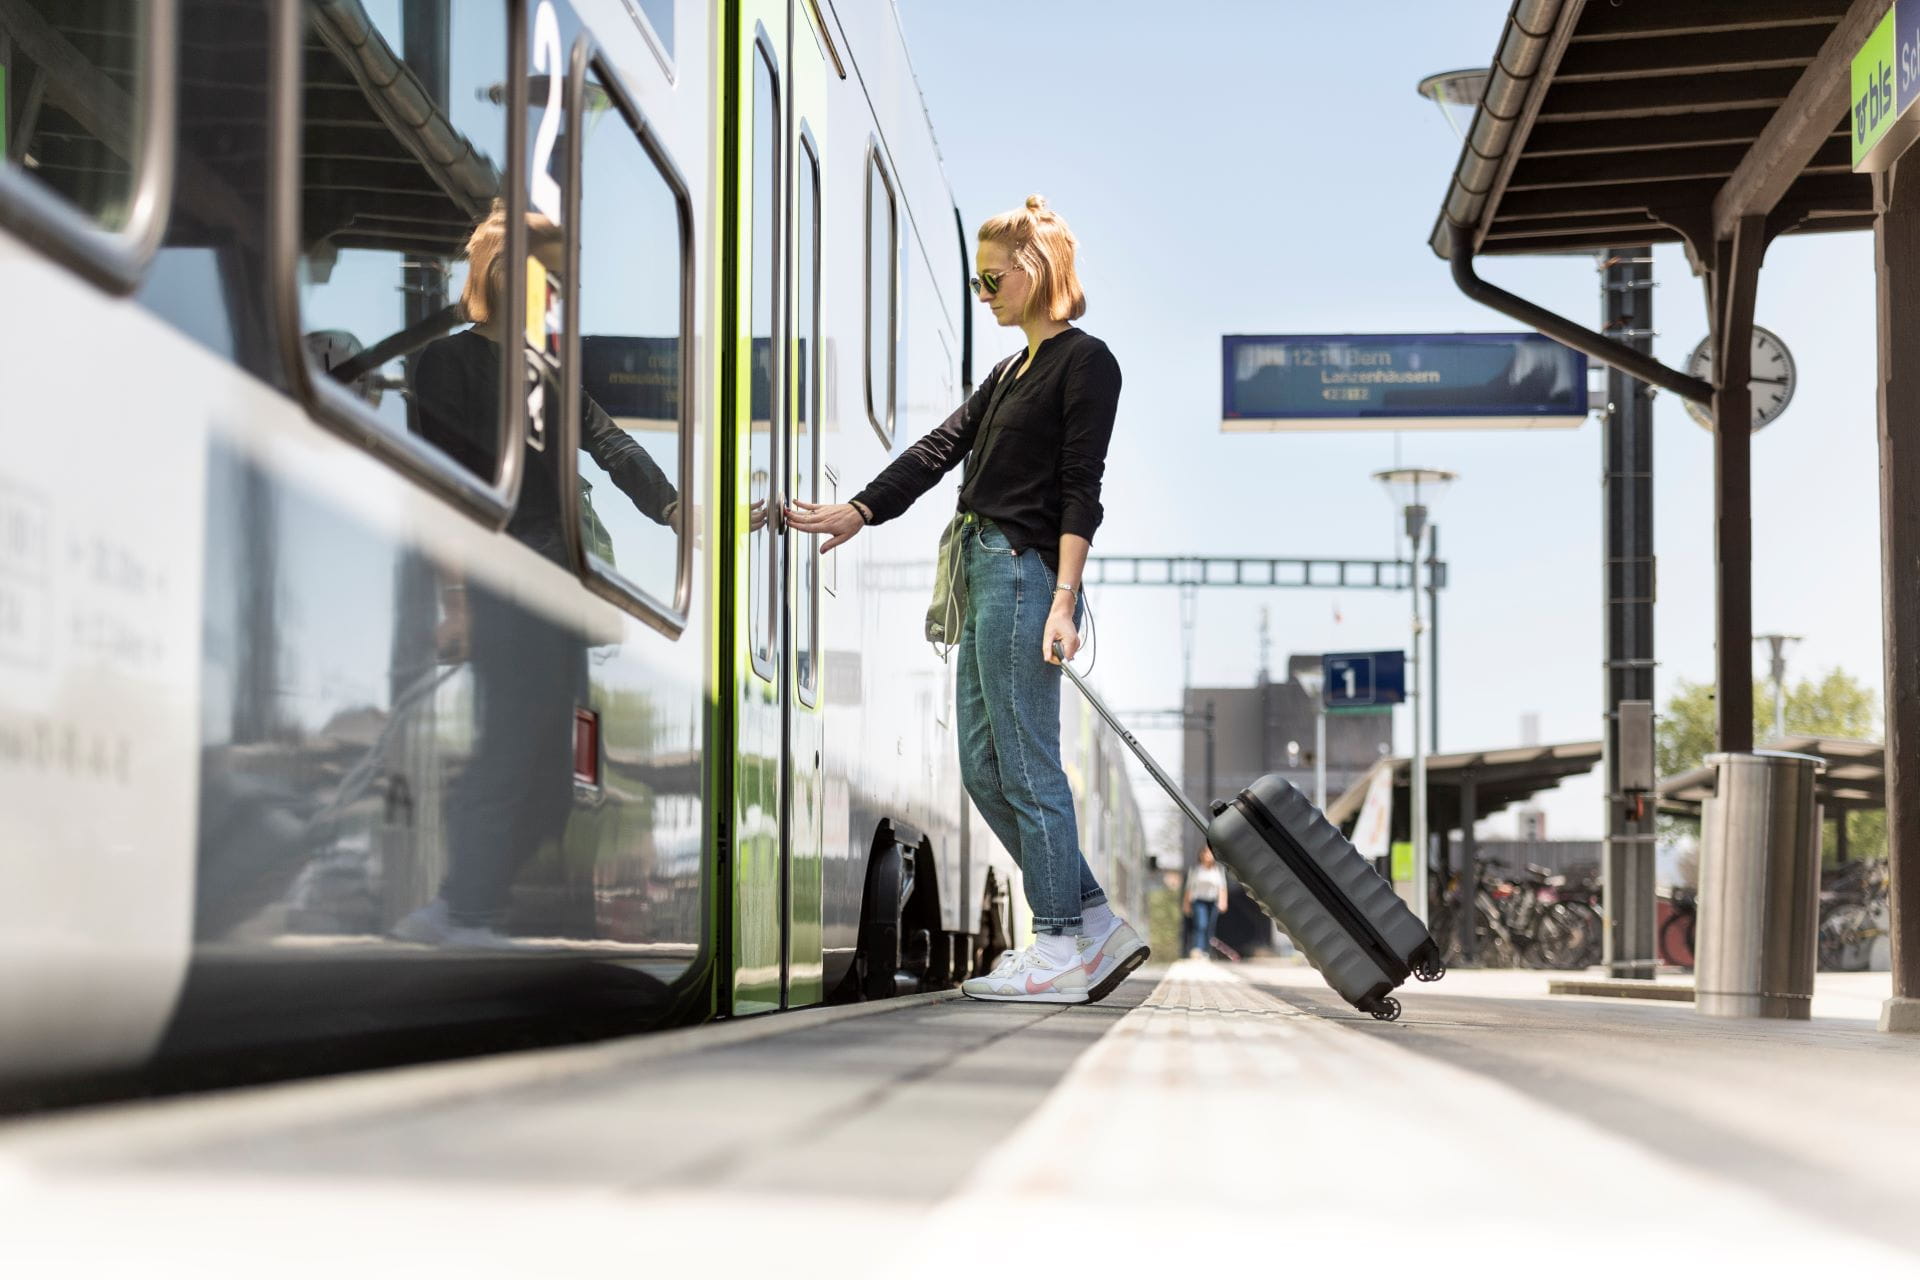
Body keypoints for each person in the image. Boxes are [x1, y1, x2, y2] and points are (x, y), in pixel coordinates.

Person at [786, 196, 1143, 1005]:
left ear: (1035, 271)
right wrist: (862, 508)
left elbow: (1080, 490)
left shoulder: (1086, 364)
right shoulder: (1008, 373)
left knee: (1026, 763)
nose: (982, 295)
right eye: (976, 281)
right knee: (983, 768)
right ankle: (1088, 918)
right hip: (982, 572)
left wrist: (1065, 599)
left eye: (991, 279)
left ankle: (1058, 945)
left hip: (1025, 574)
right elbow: (939, 448)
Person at [393, 205, 678, 946]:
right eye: (550, 277)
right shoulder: (445, 365)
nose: (558, 292)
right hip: (500, 574)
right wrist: (456, 595)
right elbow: (442, 490)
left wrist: (675, 509)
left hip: (558, 583)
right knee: (512, 743)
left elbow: (612, 445)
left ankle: (460, 906)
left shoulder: (548, 373)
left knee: (557, 779)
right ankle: (463, 910)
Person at [1184, 845, 1229, 961]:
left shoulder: (1218, 870)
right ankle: (1197, 949)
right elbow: (1189, 888)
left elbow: (1222, 887)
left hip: (1212, 902)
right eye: (1206, 853)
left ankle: (1205, 951)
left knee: (1209, 927)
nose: (1208, 855)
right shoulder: (1195, 870)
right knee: (1201, 924)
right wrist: (1186, 904)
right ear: (1201, 855)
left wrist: (1223, 901)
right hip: (1199, 901)